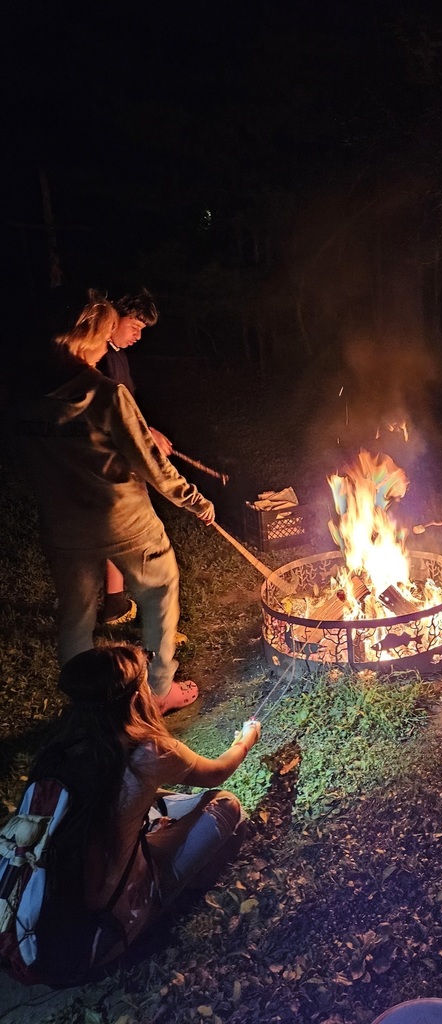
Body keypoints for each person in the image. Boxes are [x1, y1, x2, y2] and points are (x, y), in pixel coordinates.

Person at [14, 292, 214, 714]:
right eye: (105, 337)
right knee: (160, 595)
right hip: (125, 522)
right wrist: (195, 501)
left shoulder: (20, 400)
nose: (108, 346)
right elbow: (153, 465)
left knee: (76, 618)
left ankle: (86, 705)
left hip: (65, 529)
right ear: (86, 337)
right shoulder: (105, 394)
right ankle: (158, 692)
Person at [27, 644, 260, 976]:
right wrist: (246, 740)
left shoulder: (58, 748)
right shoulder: (148, 751)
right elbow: (218, 772)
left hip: (41, 915)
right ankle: (154, 904)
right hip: (104, 931)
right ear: (135, 697)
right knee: (226, 805)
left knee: (153, 798)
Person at [96, 289, 172, 626]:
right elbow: (105, 414)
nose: (138, 337)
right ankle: (127, 602)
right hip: (104, 458)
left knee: (119, 528)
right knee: (121, 527)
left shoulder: (118, 357)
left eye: (143, 330)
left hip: (122, 454)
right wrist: (143, 436)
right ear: (114, 317)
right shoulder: (96, 358)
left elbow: (128, 406)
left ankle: (116, 601)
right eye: (135, 327)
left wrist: (148, 429)